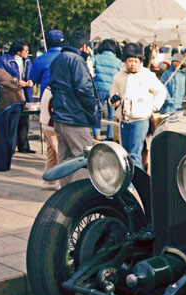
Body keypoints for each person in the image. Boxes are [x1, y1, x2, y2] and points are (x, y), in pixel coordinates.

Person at [49, 31, 101, 186]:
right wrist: (93, 108)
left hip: (60, 115)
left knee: (65, 160)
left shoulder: (58, 59)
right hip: (75, 117)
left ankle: (66, 194)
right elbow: (84, 90)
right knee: (84, 159)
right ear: (85, 46)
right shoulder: (77, 60)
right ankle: (81, 195)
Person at [110, 43, 166, 169]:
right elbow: (113, 93)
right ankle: (127, 183)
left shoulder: (147, 75)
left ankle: (138, 185)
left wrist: (153, 107)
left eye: (136, 61)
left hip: (140, 120)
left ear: (141, 62)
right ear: (125, 61)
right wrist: (114, 100)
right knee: (124, 154)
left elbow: (161, 91)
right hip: (124, 119)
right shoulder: (118, 76)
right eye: (130, 61)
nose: (133, 64)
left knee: (135, 155)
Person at [0, 39, 34, 153]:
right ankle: (9, 147)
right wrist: (16, 81)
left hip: (25, 93)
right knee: (11, 122)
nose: (27, 52)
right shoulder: (3, 61)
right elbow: (0, 76)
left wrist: (31, 81)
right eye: (25, 50)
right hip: (10, 95)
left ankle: (24, 145)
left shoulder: (27, 61)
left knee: (24, 120)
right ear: (18, 51)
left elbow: (31, 73)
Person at [91, 39, 122, 140]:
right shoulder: (118, 62)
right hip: (112, 90)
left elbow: (89, 65)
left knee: (96, 112)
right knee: (112, 114)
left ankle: (96, 135)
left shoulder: (96, 58)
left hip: (98, 89)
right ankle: (111, 136)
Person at [29, 29, 64, 99]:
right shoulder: (74, 58)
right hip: (69, 101)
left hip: (47, 101)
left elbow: (34, 79)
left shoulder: (40, 60)